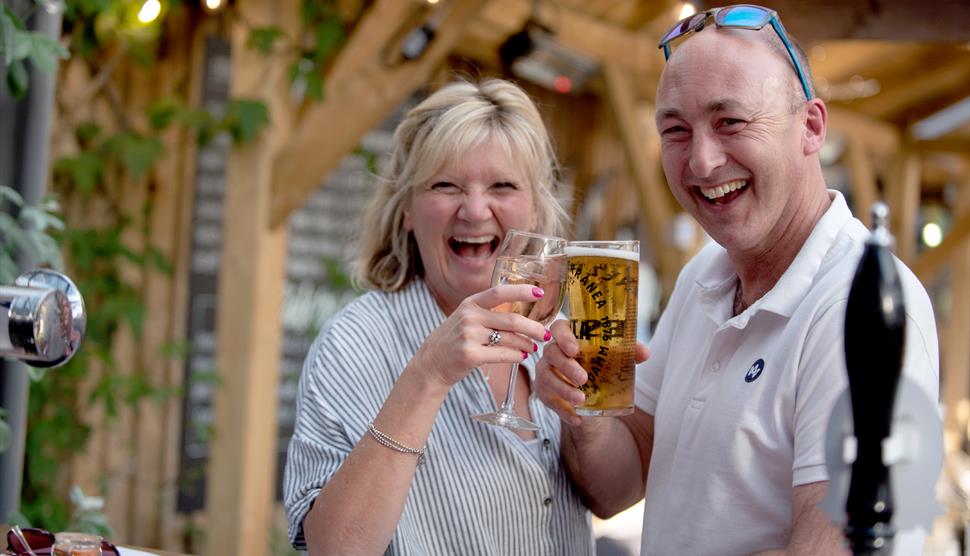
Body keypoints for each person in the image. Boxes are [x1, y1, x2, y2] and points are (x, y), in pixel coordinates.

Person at [535, 5, 940, 555]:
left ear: (812, 127)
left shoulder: (860, 303)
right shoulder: (705, 273)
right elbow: (616, 487)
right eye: (676, 130)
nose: (701, 162)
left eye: (731, 122)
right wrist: (584, 412)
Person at [283, 78, 595, 555]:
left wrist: (588, 416)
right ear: (406, 209)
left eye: (502, 185)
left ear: (534, 207)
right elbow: (334, 550)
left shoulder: (552, 331)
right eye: (445, 185)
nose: (473, 209)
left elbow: (611, 497)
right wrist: (427, 375)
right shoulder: (356, 343)